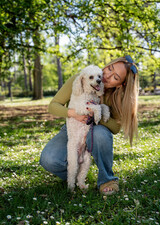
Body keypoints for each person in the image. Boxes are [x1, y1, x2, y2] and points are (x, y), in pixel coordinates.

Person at [39, 55, 139, 195]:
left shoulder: (118, 96)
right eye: (109, 68)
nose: (107, 75)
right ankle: (77, 174)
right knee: (48, 159)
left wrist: (96, 113)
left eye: (115, 77)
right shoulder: (80, 78)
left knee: (99, 134)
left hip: (97, 130)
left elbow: (116, 128)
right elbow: (53, 106)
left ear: (120, 84)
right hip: (74, 126)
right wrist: (73, 113)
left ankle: (107, 180)